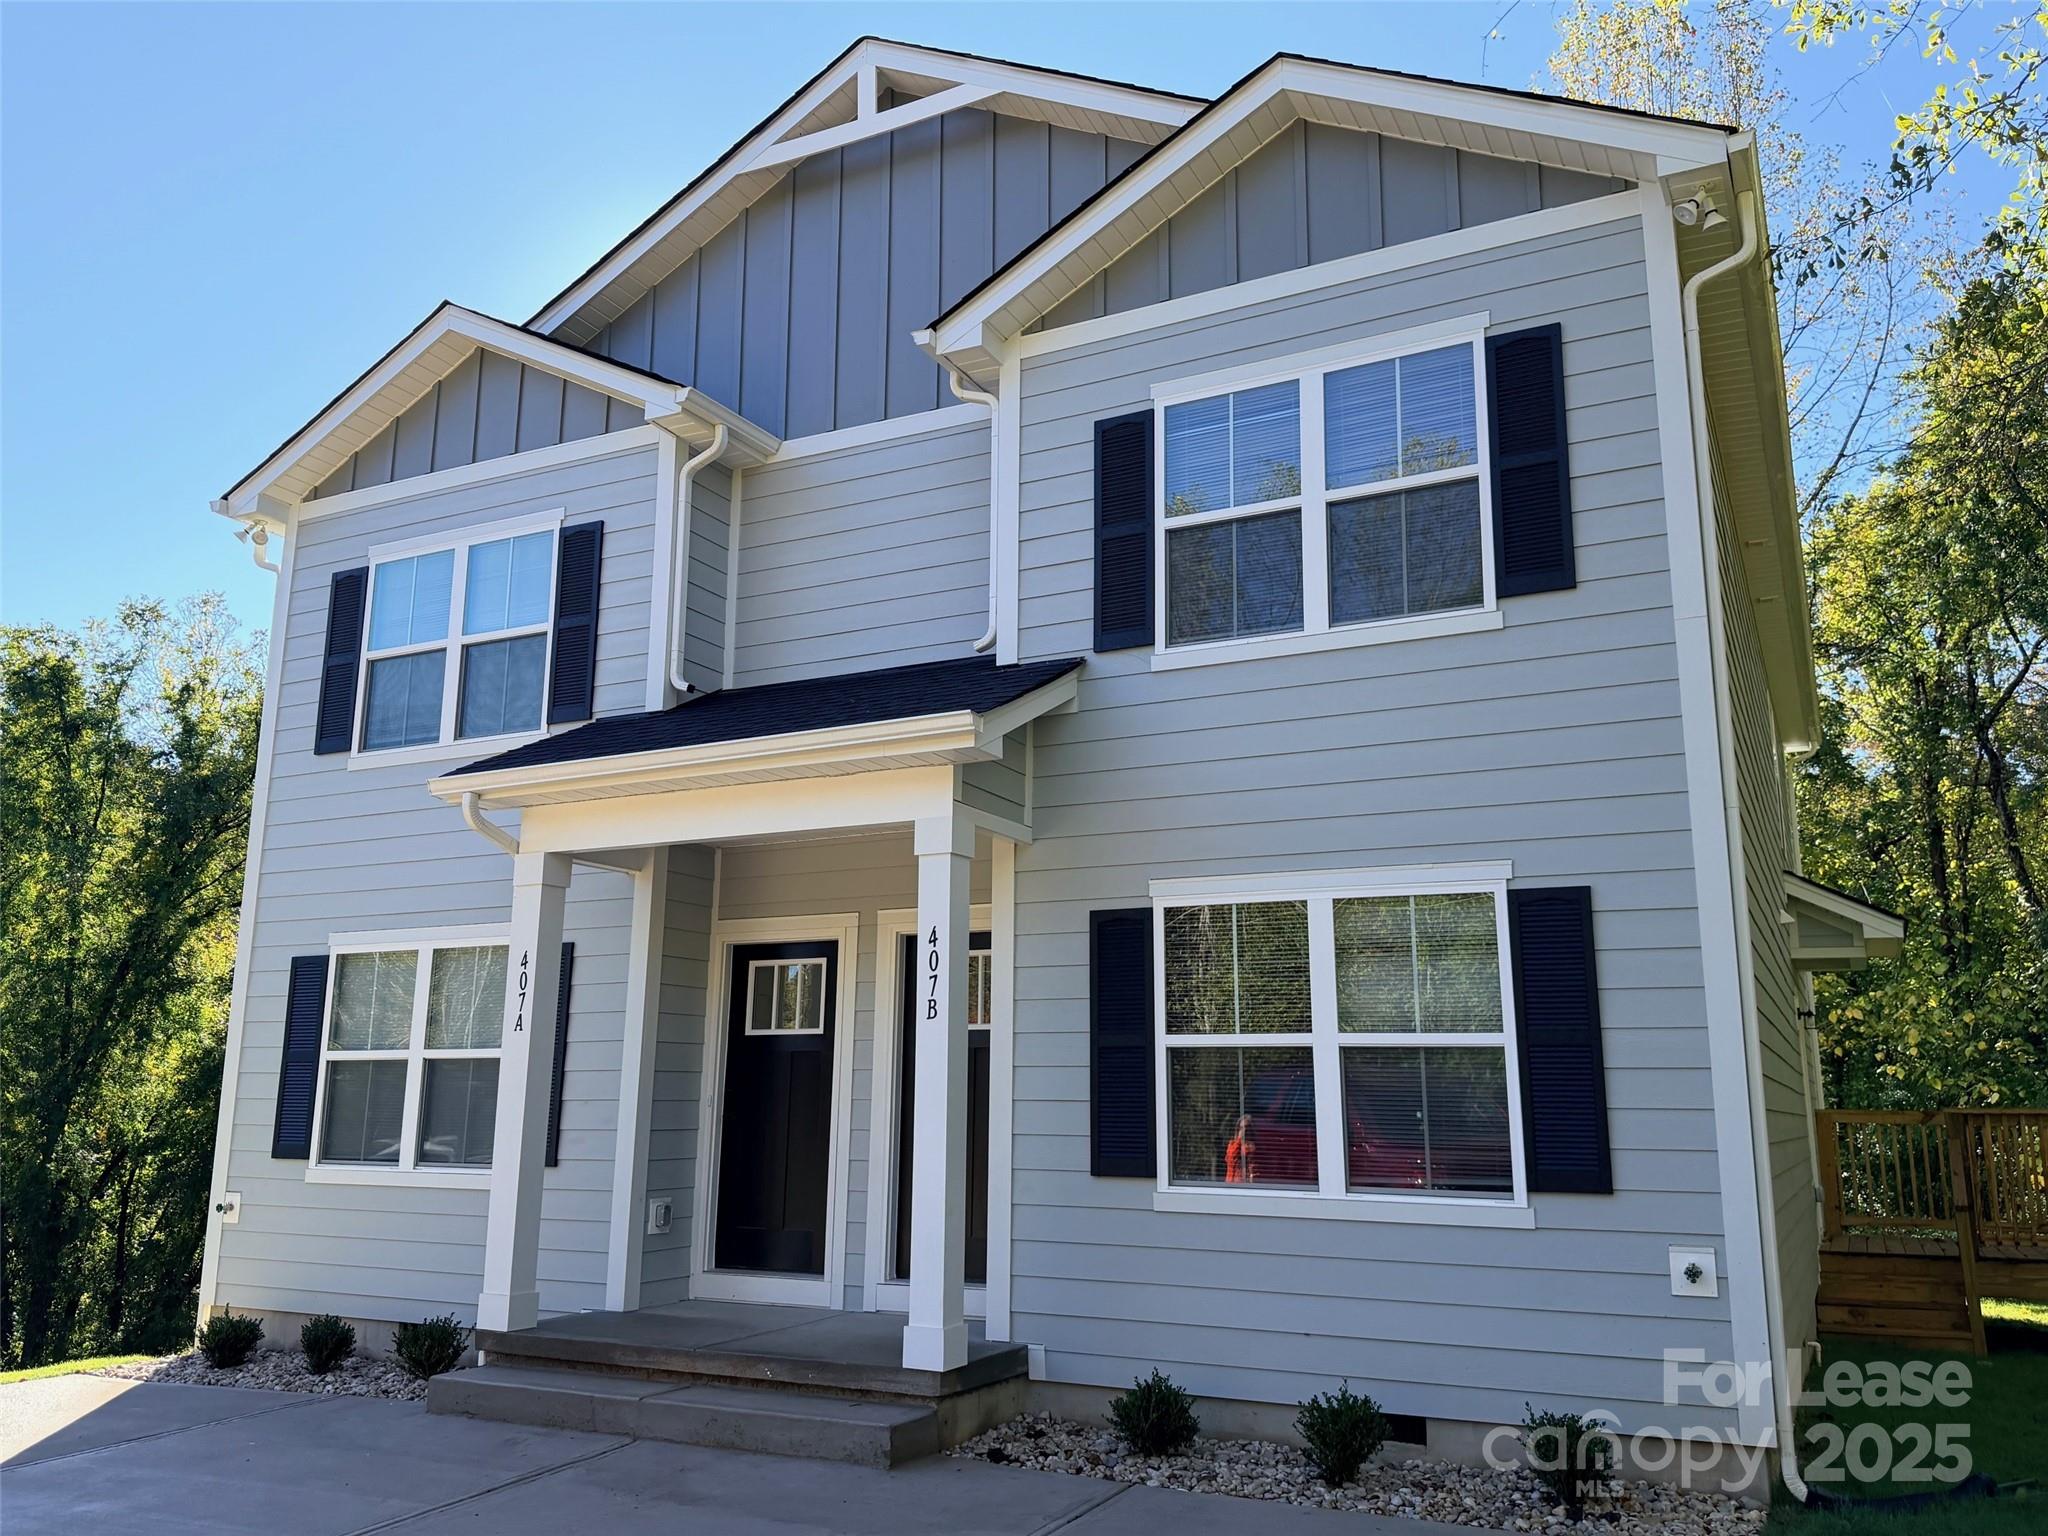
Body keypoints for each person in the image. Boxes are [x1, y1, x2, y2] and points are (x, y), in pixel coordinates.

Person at [1225, 1114, 1256, 1183]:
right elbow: (1231, 1159)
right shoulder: (1232, 1144)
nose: (1244, 1130)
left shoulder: (1251, 1147)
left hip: (1242, 1184)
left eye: (1247, 1127)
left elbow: (1253, 1169)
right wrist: (1239, 1140)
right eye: (1241, 1128)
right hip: (1230, 1184)